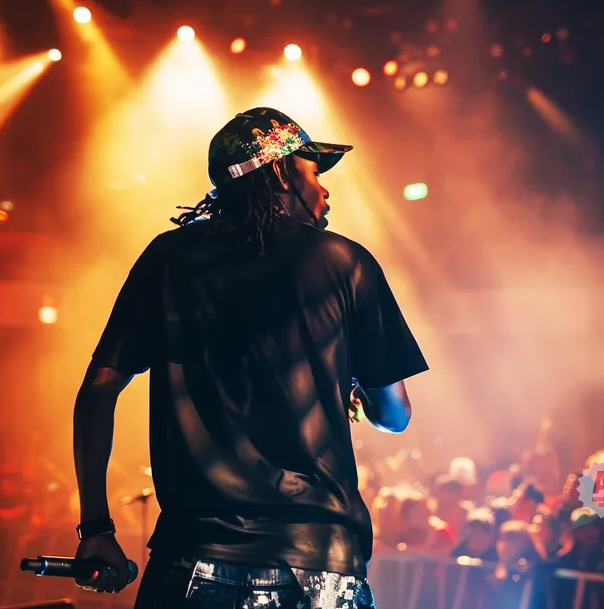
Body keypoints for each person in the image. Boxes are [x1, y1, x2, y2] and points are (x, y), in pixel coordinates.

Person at [71, 107, 429, 609]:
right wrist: (351, 388)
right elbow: (394, 415)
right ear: (280, 171)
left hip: (192, 558)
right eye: (312, 172)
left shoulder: (169, 258)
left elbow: (97, 392)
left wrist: (96, 528)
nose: (326, 190)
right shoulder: (347, 263)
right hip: (319, 562)